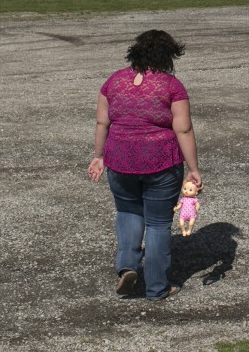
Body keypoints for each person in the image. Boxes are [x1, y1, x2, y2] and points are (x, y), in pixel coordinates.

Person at [87, 29, 202, 300]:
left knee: (127, 212)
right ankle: (157, 286)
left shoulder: (113, 81)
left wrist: (98, 155)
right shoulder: (172, 86)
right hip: (161, 161)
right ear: (167, 56)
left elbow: (102, 122)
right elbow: (183, 130)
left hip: (119, 159)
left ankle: (128, 267)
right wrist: (194, 168)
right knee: (159, 223)